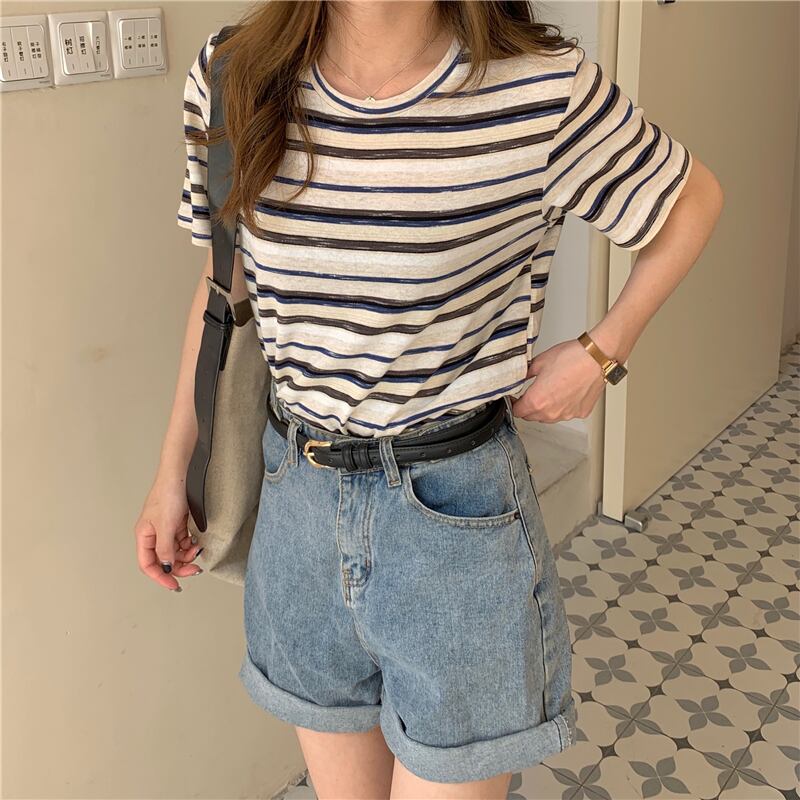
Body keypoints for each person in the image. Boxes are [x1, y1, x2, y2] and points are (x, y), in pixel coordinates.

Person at [134, 1, 723, 797]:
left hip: (455, 521)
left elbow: (692, 200)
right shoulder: (233, 73)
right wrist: (174, 468)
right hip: (296, 504)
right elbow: (222, 291)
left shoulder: (540, 88)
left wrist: (601, 352)